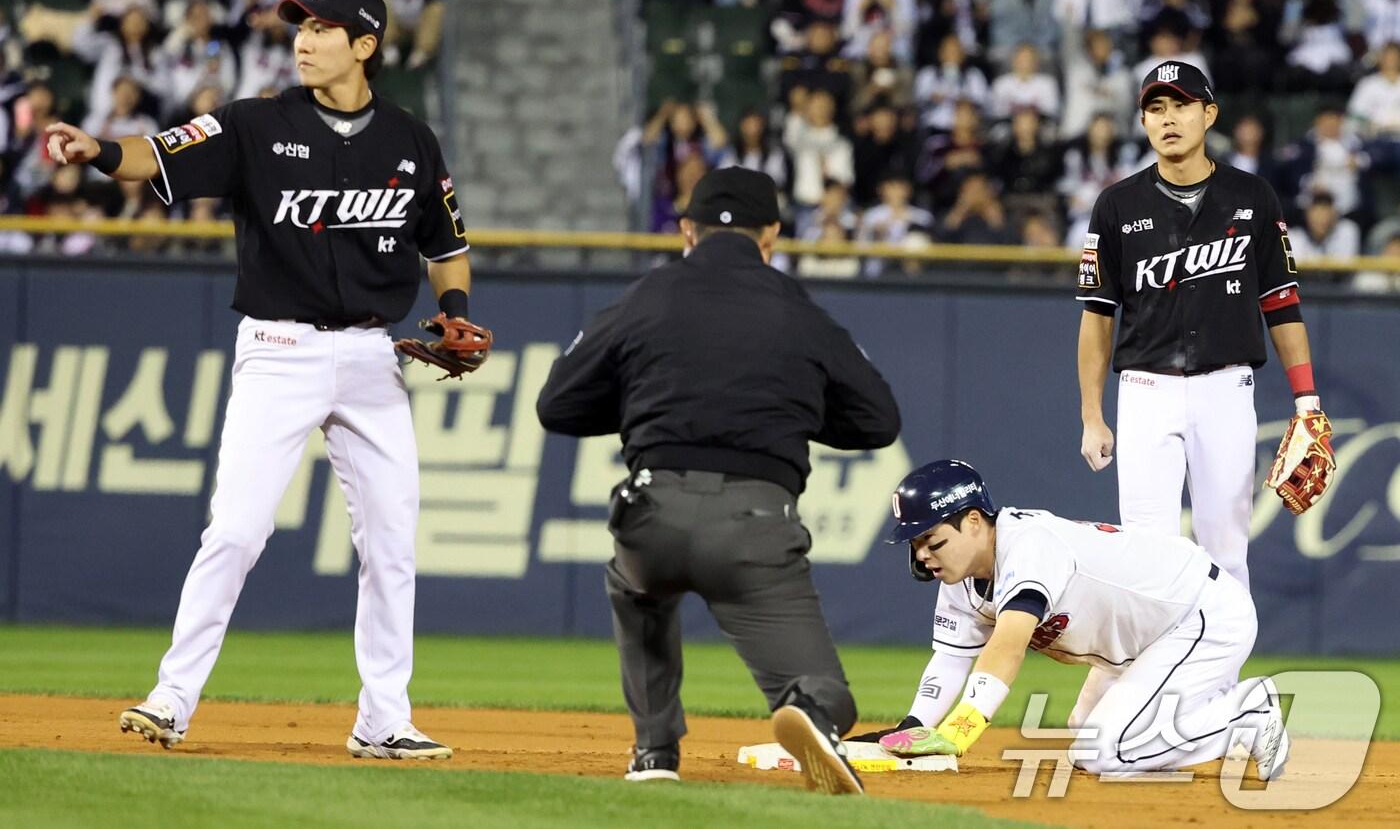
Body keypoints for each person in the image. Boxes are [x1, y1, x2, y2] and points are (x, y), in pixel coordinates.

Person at [45, 0, 480, 761]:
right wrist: (99, 148)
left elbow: (446, 248)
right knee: (238, 529)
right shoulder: (254, 124)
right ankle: (172, 697)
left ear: (366, 46)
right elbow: (158, 152)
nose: (303, 40)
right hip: (280, 349)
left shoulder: (410, 140)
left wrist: (451, 310)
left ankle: (384, 717)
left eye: (321, 28)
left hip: (373, 356)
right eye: (299, 26)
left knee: (391, 541)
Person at [536, 167, 900, 795]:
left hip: (653, 512)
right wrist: (791, 414)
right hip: (756, 527)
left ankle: (654, 751)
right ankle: (811, 710)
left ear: (687, 232)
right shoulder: (797, 308)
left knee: (634, 586)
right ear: (772, 237)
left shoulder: (646, 295)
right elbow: (878, 421)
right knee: (831, 695)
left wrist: (642, 407)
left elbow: (556, 404)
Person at [853, 460, 1290, 781]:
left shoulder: (1027, 547)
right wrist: (911, 728)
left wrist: (961, 729)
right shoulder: (960, 577)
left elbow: (1006, 645)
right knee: (1085, 736)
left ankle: (1245, 713)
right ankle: (1208, 724)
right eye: (915, 544)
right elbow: (949, 661)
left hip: (1199, 613)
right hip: (1146, 640)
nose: (922, 555)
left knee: (1105, 751)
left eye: (930, 539)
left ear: (972, 522)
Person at [1076, 60, 1327, 594]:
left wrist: (1307, 403)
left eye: (1182, 105)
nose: (1168, 118)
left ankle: (1216, 681)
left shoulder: (1253, 197)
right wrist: (1092, 415)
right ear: (1143, 122)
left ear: (1209, 114)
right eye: (1156, 108)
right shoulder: (1116, 206)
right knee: (1145, 561)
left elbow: (1282, 306)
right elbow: (1097, 315)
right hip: (1145, 390)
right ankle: (1155, 680)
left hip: (1226, 389)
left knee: (1227, 556)